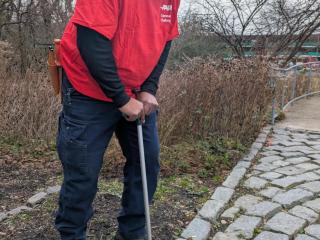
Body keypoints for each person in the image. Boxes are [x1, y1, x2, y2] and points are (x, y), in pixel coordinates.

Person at [54, 0, 180, 239]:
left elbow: (165, 40)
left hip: (135, 91)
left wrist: (149, 88)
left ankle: (132, 232)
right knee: (83, 170)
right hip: (87, 90)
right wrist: (121, 99)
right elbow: (91, 42)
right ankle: (71, 233)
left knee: (147, 163)